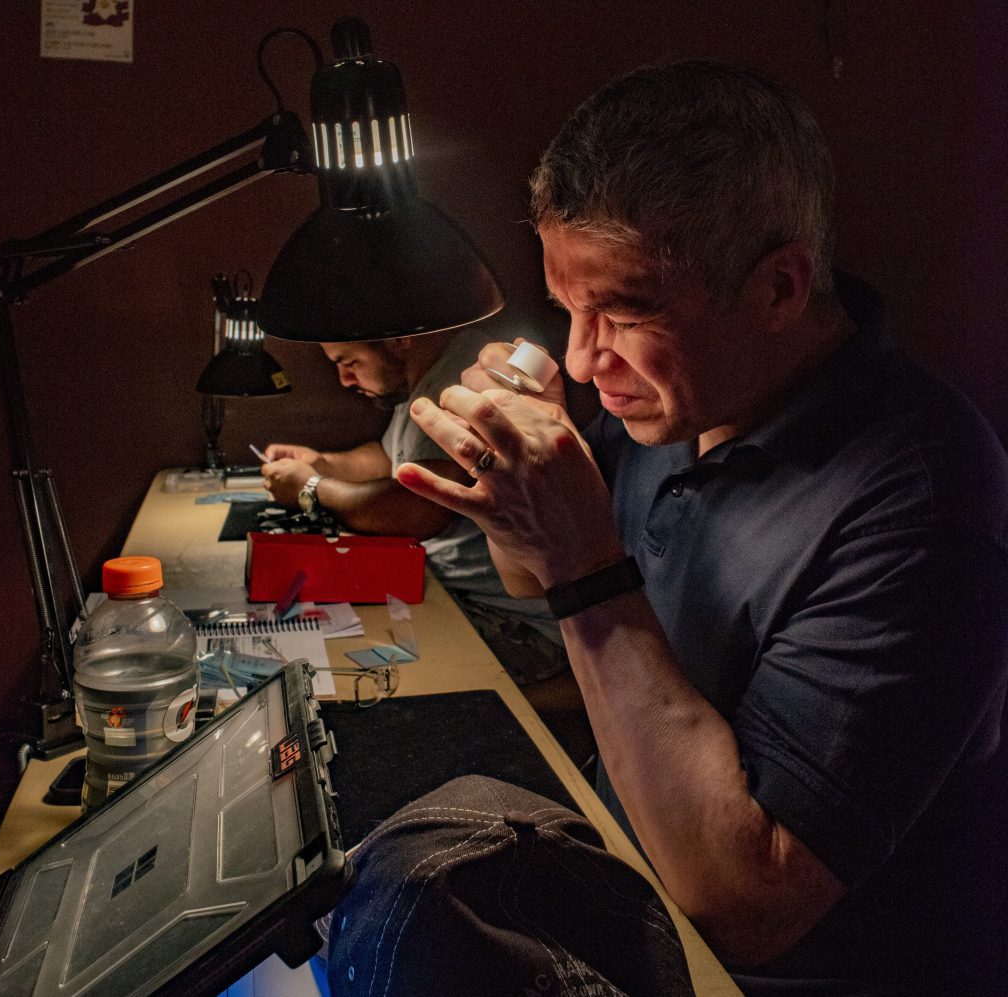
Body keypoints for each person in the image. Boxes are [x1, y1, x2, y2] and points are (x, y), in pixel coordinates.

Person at [392, 60, 1008, 995]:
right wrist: (516, 489)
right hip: (631, 888)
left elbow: (747, 902)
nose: (584, 357)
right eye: (568, 309)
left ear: (778, 289)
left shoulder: (921, 494)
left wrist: (584, 559)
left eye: (625, 310)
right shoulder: (679, 400)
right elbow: (533, 585)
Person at [258, 328, 577, 706]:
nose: (344, 379)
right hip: (449, 594)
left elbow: (423, 508)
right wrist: (322, 463)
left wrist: (312, 489)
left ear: (397, 338)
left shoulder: (463, 380)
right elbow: (388, 458)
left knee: (359, 688)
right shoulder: (418, 375)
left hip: (514, 621)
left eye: (350, 361)